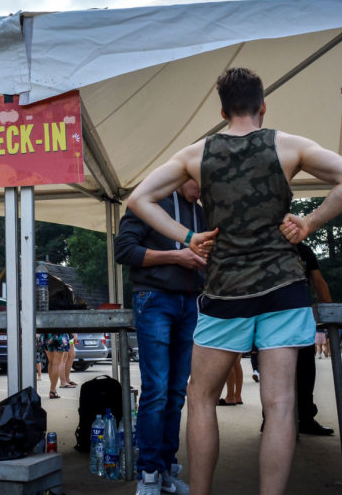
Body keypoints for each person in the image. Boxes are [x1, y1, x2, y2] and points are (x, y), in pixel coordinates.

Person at [127, 67, 342, 495]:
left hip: (226, 292)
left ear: (221, 110)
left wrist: (188, 237)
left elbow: (138, 199)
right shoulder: (289, 145)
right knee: (279, 405)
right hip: (285, 290)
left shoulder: (195, 155)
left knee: (201, 399)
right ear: (263, 105)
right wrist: (308, 222)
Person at [115, 177, 205, 495]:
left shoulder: (201, 212)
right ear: (184, 173)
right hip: (154, 299)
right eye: (200, 180)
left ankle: (165, 469)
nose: (204, 188)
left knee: (177, 392)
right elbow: (123, 250)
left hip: (190, 303)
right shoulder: (148, 202)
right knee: (156, 390)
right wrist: (175, 257)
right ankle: (148, 473)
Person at [293, 242, 334, 436]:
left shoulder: (302, 248)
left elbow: (317, 280)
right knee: (280, 371)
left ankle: (305, 418)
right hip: (276, 314)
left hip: (299, 315)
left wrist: (331, 314)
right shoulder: (265, 241)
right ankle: (273, 419)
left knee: (304, 370)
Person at [43, 333, 70, 399]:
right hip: (59, 334)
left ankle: (53, 388)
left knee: (51, 363)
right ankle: (52, 390)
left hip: (46, 334)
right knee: (57, 364)